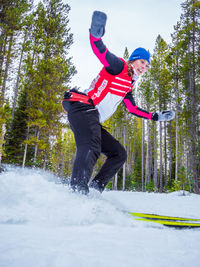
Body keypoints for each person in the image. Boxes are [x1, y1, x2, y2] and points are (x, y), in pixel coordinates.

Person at [62, 11, 174, 195]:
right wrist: (96, 35)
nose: (143, 67)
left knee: (119, 154)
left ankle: (95, 189)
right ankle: (77, 191)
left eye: (147, 66)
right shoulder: (119, 66)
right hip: (83, 108)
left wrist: (156, 116)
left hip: (92, 116)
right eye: (141, 62)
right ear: (133, 60)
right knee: (92, 146)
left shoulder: (128, 85)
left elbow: (132, 108)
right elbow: (101, 51)